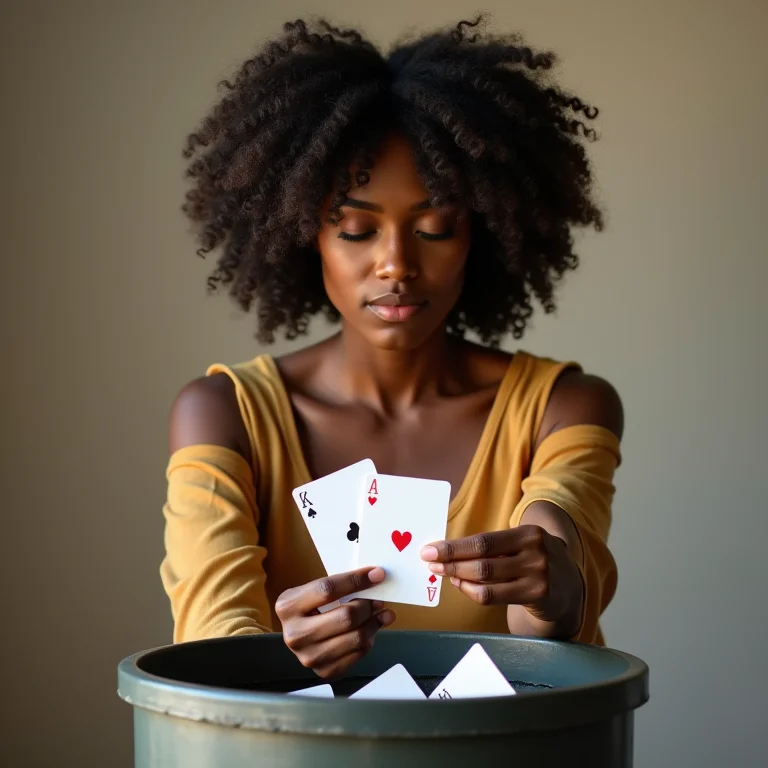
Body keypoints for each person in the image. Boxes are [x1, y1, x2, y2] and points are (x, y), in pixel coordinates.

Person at [161, 15, 623, 680]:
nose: (397, 265)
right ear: (301, 233)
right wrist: (273, 652)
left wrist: (553, 583)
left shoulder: (564, 406)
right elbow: (210, 642)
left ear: (481, 234)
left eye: (435, 228)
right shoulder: (222, 414)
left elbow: (550, 605)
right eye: (355, 230)